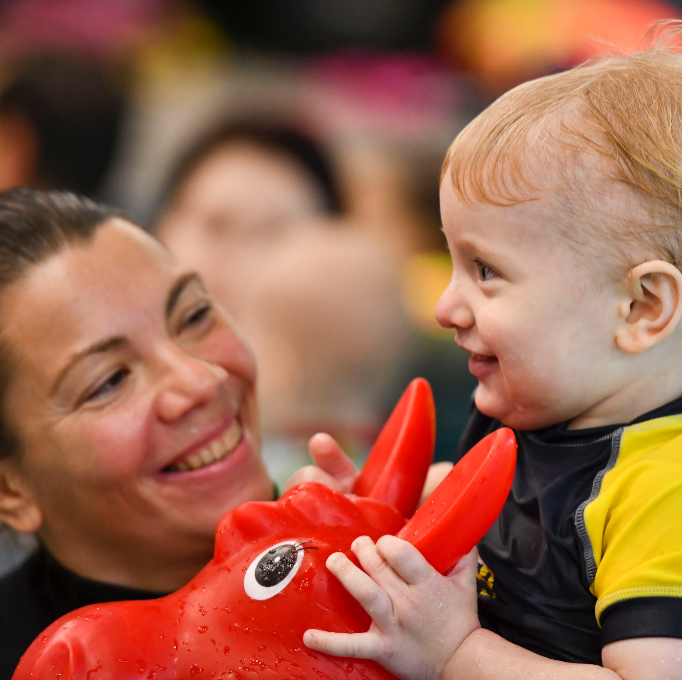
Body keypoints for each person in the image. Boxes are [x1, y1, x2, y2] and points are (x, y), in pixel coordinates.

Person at [298, 25, 682, 679]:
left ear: (640, 308)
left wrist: (458, 654)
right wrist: (370, 513)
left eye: (485, 272)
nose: (446, 306)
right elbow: (474, 532)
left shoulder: (661, 490)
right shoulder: (533, 412)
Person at [0, 188, 277, 678]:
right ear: (10, 489)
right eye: (109, 381)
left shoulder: (384, 553)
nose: (201, 380)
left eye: (194, 315)